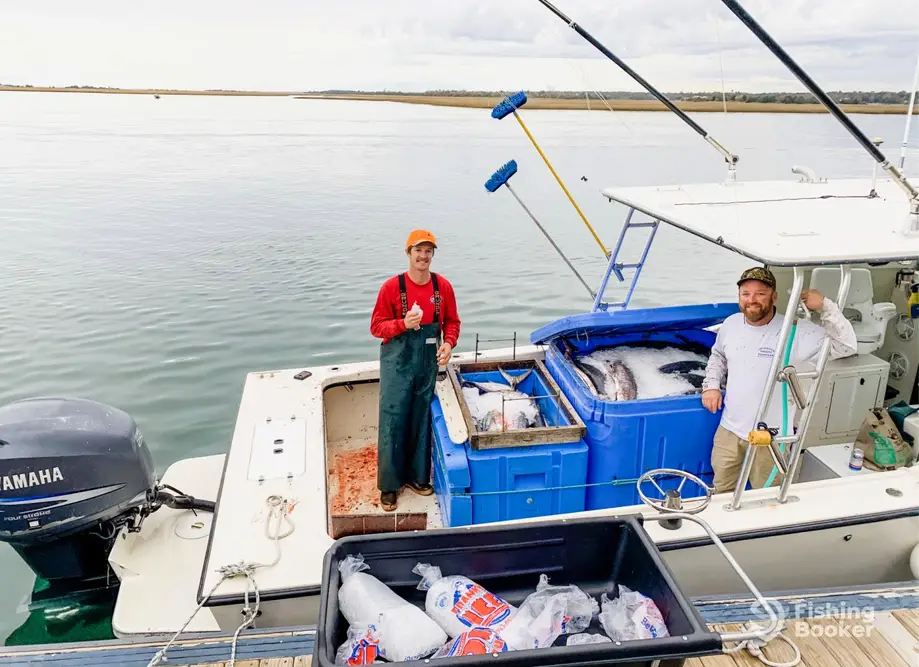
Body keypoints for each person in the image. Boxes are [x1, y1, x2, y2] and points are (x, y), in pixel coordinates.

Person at [701, 266, 857, 494]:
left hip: (772, 438)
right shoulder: (731, 324)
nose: (751, 300)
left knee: (766, 499)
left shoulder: (797, 331)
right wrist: (711, 386)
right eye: (745, 294)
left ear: (774, 297)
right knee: (720, 493)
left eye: (760, 294)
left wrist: (825, 306)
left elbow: (847, 346)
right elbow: (718, 356)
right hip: (729, 431)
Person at [370, 230, 461, 512]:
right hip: (398, 365)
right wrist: (402, 324)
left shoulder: (442, 287)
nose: (423, 256)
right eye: (418, 251)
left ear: (433, 255)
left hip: (426, 364)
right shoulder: (391, 287)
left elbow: (452, 322)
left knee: (422, 417)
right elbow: (376, 327)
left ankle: (417, 477)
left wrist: (448, 344)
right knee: (394, 420)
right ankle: (389, 485)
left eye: (428, 251)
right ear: (408, 253)